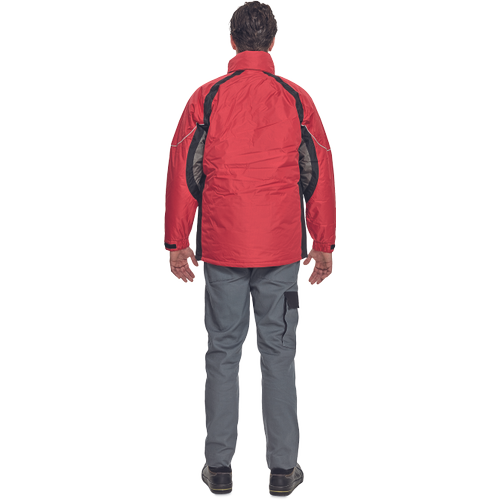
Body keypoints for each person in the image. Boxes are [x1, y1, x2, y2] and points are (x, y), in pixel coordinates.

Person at [164, 2, 336, 498]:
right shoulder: (296, 99)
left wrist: (177, 240)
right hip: (279, 248)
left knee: (222, 352)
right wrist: (323, 241)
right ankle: (283, 471)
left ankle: (218, 468)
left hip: (223, 246)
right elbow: (319, 171)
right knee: (278, 354)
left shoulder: (207, 97)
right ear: (273, 42)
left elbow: (183, 169)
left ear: (232, 42)